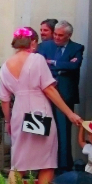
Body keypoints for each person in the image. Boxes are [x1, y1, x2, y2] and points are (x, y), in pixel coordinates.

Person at [0, 27, 82, 184]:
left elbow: (4, 99)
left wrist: (8, 120)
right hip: (38, 112)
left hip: (19, 113)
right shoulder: (37, 59)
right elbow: (49, 90)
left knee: (19, 163)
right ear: (33, 42)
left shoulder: (5, 66)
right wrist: (69, 113)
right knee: (47, 162)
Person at [37, 19, 84, 172]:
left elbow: (74, 66)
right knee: (42, 127)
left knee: (63, 130)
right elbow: (39, 66)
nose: (56, 37)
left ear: (69, 36)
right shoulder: (43, 46)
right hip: (44, 93)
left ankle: (63, 165)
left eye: (60, 35)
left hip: (65, 94)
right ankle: (40, 163)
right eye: (55, 34)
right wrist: (63, 66)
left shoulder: (77, 48)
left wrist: (54, 63)